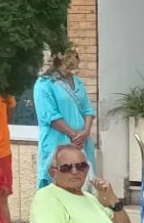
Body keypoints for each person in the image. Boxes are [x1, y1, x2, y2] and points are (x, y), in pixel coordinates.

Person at [34, 46, 97, 182]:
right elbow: (49, 116)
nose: (74, 61)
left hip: (82, 143)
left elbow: (88, 109)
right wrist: (74, 135)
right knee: (59, 182)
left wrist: (85, 132)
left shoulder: (77, 81)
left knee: (85, 182)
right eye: (69, 57)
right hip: (57, 142)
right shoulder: (44, 83)